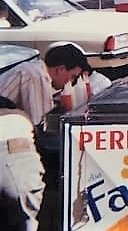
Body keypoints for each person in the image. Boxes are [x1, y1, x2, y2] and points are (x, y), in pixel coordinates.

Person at [0, 43, 89, 231]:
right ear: (60, 69)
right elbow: (39, 124)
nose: (69, 83)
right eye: (71, 77)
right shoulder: (36, 76)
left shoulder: (34, 71)